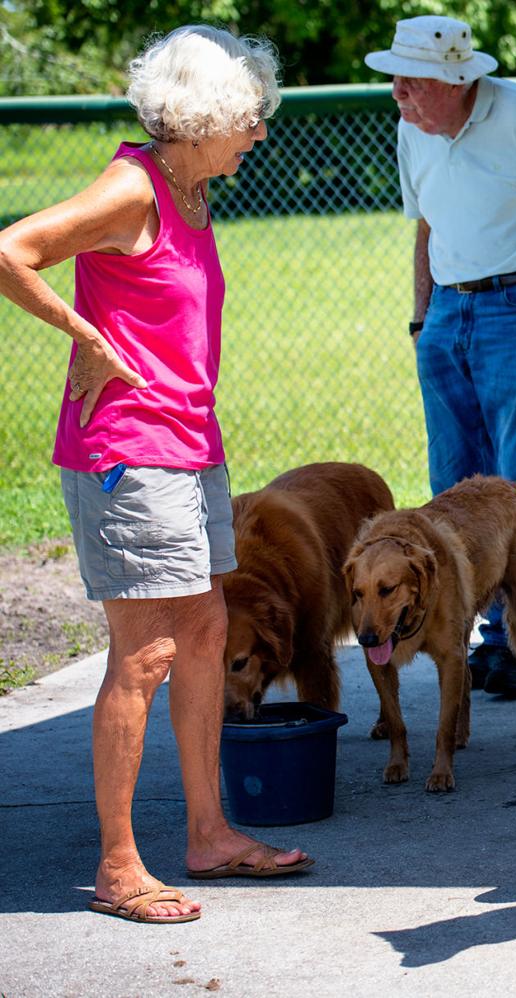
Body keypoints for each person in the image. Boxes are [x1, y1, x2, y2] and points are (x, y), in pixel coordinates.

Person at [0, 26, 312, 923]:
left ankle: (209, 833)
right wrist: (83, 336)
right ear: (202, 118)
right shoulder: (132, 187)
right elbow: (13, 249)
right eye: (247, 119)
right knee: (146, 653)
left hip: (190, 446)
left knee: (208, 628)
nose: (257, 134)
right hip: (129, 456)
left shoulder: (193, 187)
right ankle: (117, 864)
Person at [365, 16, 516, 697]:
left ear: (454, 80)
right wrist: (424, 318)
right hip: (448, 310)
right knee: (456, 481)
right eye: (396, 80)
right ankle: (472, 634)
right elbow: (426, 224)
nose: (398, 94)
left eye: (410, 82)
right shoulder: (414, 128)